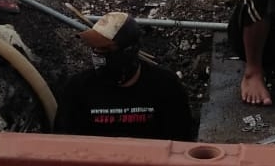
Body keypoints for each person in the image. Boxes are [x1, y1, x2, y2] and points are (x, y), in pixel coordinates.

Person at [54, 12, 198, 141]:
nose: (97, 54)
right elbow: (64, 141)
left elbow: (181, 139)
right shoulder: (78, 87)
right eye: (94, 48)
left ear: (129, 50)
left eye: (105, 49)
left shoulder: (164, 85)